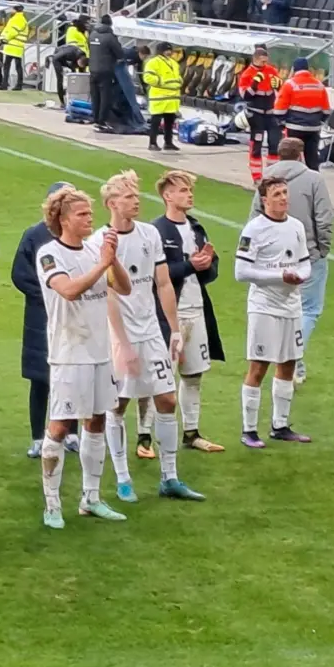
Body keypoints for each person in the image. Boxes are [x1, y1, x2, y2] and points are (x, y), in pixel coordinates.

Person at [92, 172, 205, 504]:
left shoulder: (149, 234)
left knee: (167, 400)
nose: (136, 200)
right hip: (117, 334)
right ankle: (123, 479)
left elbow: (164, 283)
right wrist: (123, 345)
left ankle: (169, 477)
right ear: (112, 204)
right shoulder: (100, 241)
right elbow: (109, 295)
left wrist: (172, 329)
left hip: (151, 330)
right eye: (128, 196)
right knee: (117, 405)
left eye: (137, 195)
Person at [34, 186, 133, 529]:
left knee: (97, 421)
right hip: (69, 354)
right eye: (82, 214)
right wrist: (101, 265)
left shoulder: (95, 251)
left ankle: (91, 498)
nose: (89, 219)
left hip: (99, 352)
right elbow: (68, 290)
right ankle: (52, 504)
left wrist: (112, 259)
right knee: (61, 425)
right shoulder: (50, 254)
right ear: (62, 219)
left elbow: (124, 287)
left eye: (90, 213)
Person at [235, 178, 313, 448]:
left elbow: (305, 264)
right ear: (264, 200)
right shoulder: (253, 230)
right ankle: (249, 430)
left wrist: (298, 276)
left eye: (285, 193)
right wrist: (280, 275)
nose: (283, 198)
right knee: (259, 365)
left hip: (291, 306)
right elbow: (241, 272)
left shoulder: (296, 226)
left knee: (289, 363)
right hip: (264, 307)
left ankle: (280, 425)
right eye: (277, 194)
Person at [152, 170, 226, 453]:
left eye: (190, 190)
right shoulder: (157, 230)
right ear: (167, 195)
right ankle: (147, 436)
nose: (189, 195)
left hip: (197, 310)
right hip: (169, 314)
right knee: (160, 378)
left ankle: (191, 432)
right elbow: (156, 274)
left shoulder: (196, 228)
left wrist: (208, 265)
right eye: (183, 190)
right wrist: (189, 266)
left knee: (194, 374)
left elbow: (208, 267)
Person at [250, 138, 334, 382]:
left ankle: (292, 362)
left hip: (271, 259)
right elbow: (324, 217)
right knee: (308, 309)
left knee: (280, 310)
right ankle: (292, 359)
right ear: (302, 155)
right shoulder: (314, 179)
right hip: (306, 256)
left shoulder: (266, 180)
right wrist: (322, 248)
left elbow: (254, 217)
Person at [12, 182, 80, 459]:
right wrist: (51, 294)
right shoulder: (34, 235)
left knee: (74, 375)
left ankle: (72, 432)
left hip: (74, 315)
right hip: (41, 316)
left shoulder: (79, 237)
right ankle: (38, 436)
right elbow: (20, 274)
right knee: (41, 378)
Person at [237, 46, 284, 182]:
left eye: (266, 61)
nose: (265, 65)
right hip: (256, 114)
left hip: (271, 113)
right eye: (263, 62)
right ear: (255, 59)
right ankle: (257, 177)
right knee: (256, 145)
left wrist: (279, 85)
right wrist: (254, 85)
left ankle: (272, 176)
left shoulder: (271, 70)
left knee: (274, 144)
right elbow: (245, 96)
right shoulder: (247, 74)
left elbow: (280, 92)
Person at [274, 57, 331, 169]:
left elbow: (279, 110)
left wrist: (282, 123)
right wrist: (317, 121)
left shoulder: (290, 84)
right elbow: (326, 110)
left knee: (292, 158)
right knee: (312, 158)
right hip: (313, 128)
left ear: (294, 69)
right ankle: (314, 182)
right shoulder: (319, 85)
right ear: (307, 69)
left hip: (294, 127)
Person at [143, 42, 183, 152]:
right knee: (156, 122)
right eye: (166, 50)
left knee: (170, 122)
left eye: (170, 50)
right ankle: (152, 143)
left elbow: (177, 76)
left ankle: (168, 143)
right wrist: (161, 82)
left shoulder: (174, 63)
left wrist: (180, 81)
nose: (169, 52)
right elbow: (147, 77)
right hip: (159, 97)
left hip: (172, 98)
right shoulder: (153, 62)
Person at [89, 14, 125, 129]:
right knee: (105, 96)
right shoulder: (110, 37)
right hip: (105, 70)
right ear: (110, 24)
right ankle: (102, 120)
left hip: (92, 69)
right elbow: (119, 53)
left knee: (95, 96)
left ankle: (95, 118)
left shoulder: (92, 34)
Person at [0, 3, 30, 91]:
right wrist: (2, 37)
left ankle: (9, 84)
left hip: (14, 45)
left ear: (15, 9)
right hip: (14, 46)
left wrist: (4, 38)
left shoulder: (18, 19)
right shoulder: (18, 18)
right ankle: (12, 84)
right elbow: (8, 29)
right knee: (15, 66)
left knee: (12, 66)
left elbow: (13, 31)